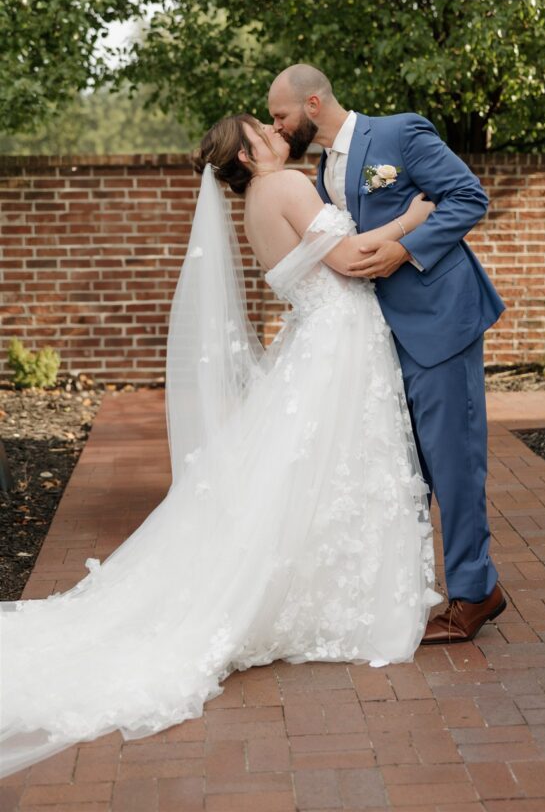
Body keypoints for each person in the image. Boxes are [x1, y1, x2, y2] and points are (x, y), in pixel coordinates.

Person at [0, 114, 445, 779]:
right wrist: (413, 215)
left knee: (308, 472)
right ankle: (337, 599)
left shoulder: (255, 205)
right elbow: (350, 260)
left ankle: (320, 590)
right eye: (258, 128)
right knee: (334, 467)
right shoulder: (288, 186)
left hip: (318, 342)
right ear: (247, 152)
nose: (271, 127)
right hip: (337, 348)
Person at [268, 64, 507, 645]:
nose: (278, 126)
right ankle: (416, 586)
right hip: (380, 334)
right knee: (410, 468)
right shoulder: (322, 170)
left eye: (281, 115)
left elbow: (468, 196)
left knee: (453, 459)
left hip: (439, 321)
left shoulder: (399, 133)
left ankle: (476, 593)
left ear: (314, 103)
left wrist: (405, 247)